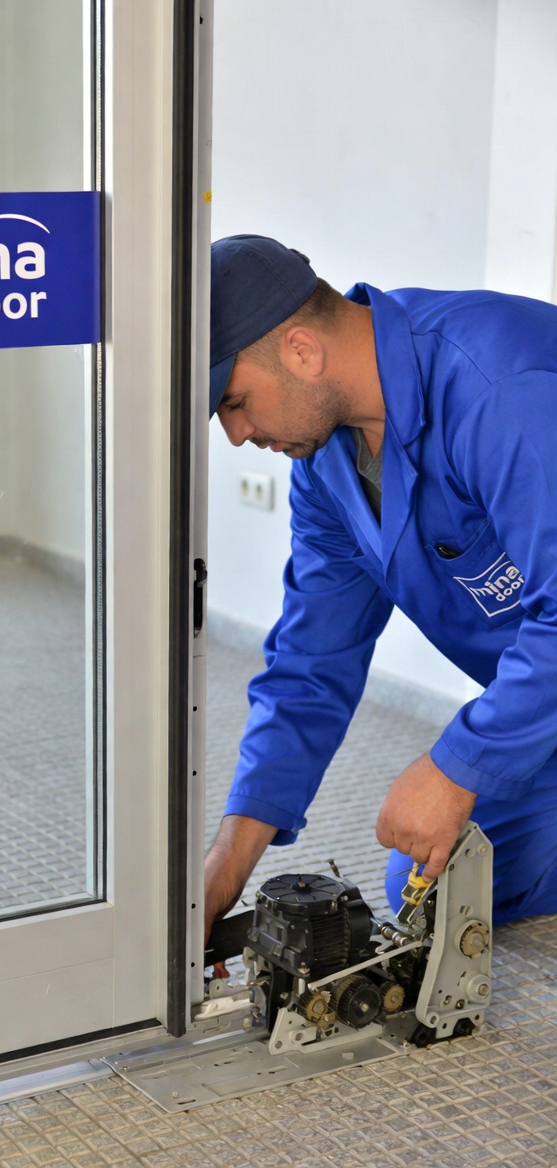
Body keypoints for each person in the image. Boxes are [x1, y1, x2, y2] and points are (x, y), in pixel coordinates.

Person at [204, 233, 557, 945]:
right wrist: (224, 866)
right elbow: (313, 661)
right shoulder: (325, 468)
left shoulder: (501, 389)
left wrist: (456, 767)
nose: (237, 434)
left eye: (236, 402)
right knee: (431, 879)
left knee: (445, 824)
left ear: (302, 351)